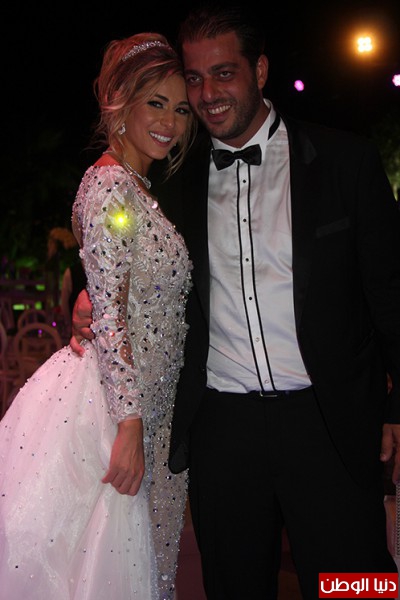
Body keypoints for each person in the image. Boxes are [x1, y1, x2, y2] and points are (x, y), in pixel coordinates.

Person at [71, 5, 400, 599]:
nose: (207, 94)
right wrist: (88, 300)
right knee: (234, 588)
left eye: (224, 73)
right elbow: (126, 253)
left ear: (260, 70)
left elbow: (391, 294)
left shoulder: (345, 161)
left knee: (357, 583)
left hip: (328, 421)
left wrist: (395, 409)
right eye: (195, 79)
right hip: (222, 431)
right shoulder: (174, 176)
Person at [0, 31, 196, 600]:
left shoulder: (137, 186)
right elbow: (109, 313)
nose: (170, 122)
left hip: (149, 406)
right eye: (155, 103)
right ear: (120, 104)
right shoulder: (111, 186)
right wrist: (129, 425)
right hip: (114, 410)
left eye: (181, 109)